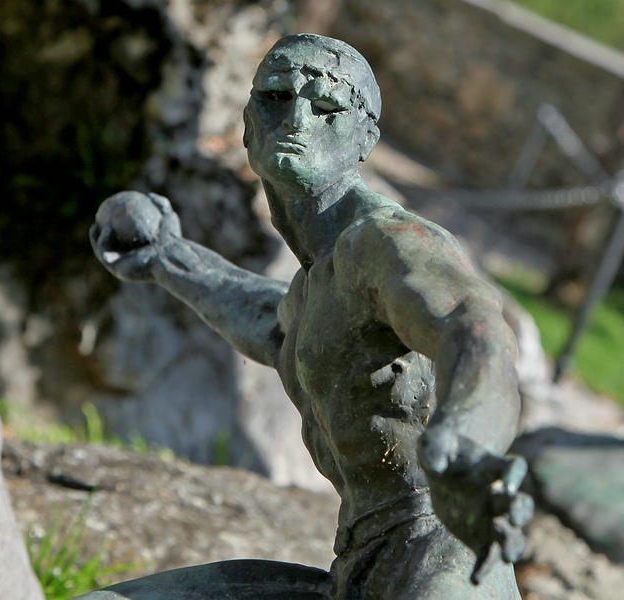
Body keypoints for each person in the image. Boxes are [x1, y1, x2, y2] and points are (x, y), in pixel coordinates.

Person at [91, 34, 532, 599]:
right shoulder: (317, 283)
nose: (297, 118)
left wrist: (468, 442)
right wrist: (167, 256)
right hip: (359, 566)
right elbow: (276, 326)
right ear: (247, 124)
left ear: (364, 140)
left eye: (327, 107)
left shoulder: (383, 242)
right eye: (276, 97)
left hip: (441, 562)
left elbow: (474, 328)